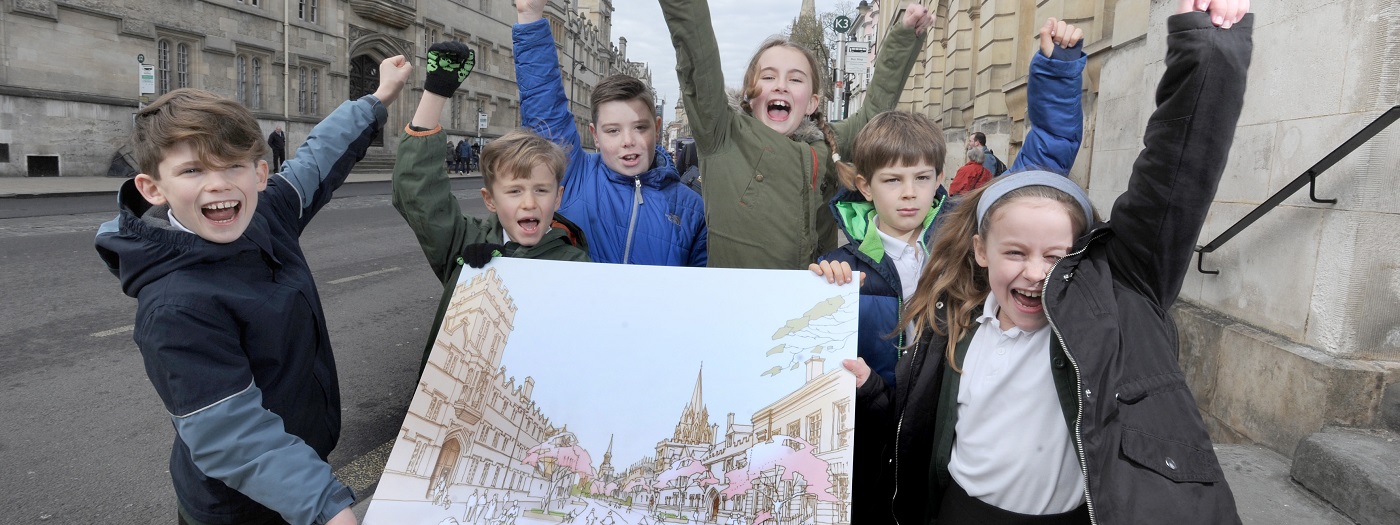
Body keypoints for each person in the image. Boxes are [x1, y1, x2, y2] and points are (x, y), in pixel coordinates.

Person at [852, 2, 1253, 524]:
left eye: (1056, 258)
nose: (1035, 272)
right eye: (1014, 253)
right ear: (980, 252)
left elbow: (1174, 177)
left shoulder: (1110, 309)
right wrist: (870, 391)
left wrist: (1208, 47)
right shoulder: (952, 324)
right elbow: (912, 420)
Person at [93, 56, 410, 525]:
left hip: (297, 469)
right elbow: (231, 433)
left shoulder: (265, 213)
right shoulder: (175, 305)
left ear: (259, 175)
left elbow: (319, 157)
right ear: (152, 187)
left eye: (234, 166)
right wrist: (326, 504)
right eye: (192, 171)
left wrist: (377, 99)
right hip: (238, 507)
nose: (219, 183)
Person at [660, 0, 933, 270]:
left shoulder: (829, 144)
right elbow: (698, 58)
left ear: (813, 102)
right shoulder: (722, 134)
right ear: (748, 94)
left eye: (795, 79)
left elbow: (874, 109)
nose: (781, 86)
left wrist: (905, 36)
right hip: (737, 305)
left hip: (810, 306)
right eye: (768, 77)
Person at [392, 41, 590, 372]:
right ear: (490, 200)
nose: (529, 202)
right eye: (514, 191)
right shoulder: (465, 243)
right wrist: (436, 94)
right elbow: (419, 193)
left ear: (557, 198)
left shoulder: (576, 264)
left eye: (541, 190)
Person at [515, 0, 706, 266]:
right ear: (595, 135)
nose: (628, 141)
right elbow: (544, 108)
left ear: (658, 128)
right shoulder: (574, 175)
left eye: (640, 127)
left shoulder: (692, 209)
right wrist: (530, 16)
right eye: (613, 130)